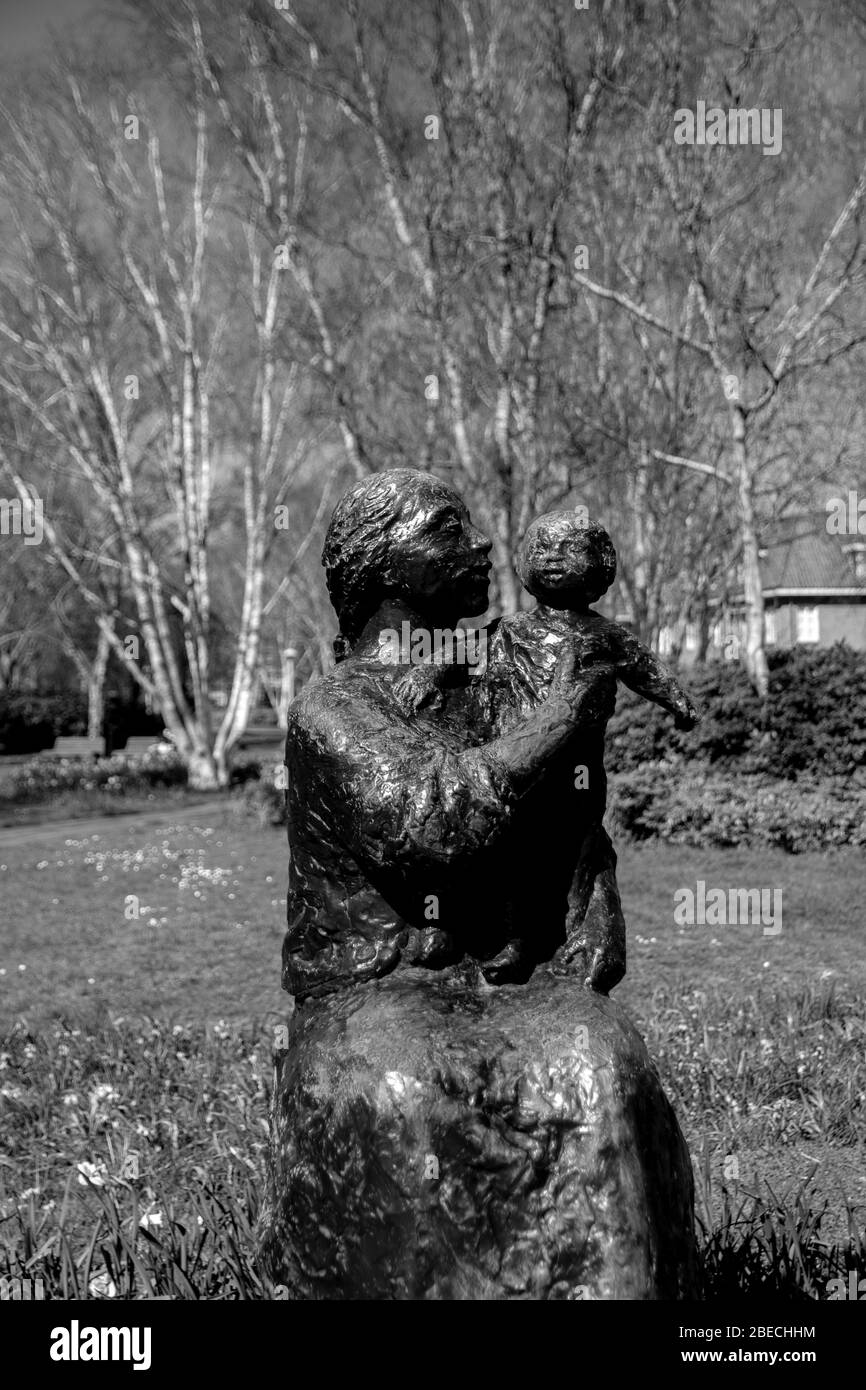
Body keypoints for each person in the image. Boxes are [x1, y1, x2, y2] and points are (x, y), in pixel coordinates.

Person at [478, 508, 699, 987]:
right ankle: (515, 942)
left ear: (600, 564)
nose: (554, 558)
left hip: (576, 775)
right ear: (523, 562)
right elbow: (454, 657)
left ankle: (591, 935)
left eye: (570, 548)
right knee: (512, 854)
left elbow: (646, 670)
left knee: (579, 851)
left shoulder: (603, 635)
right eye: (542, 548)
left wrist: (678, 700)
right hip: (517, 771)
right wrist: (424, 673)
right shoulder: (506, 632)